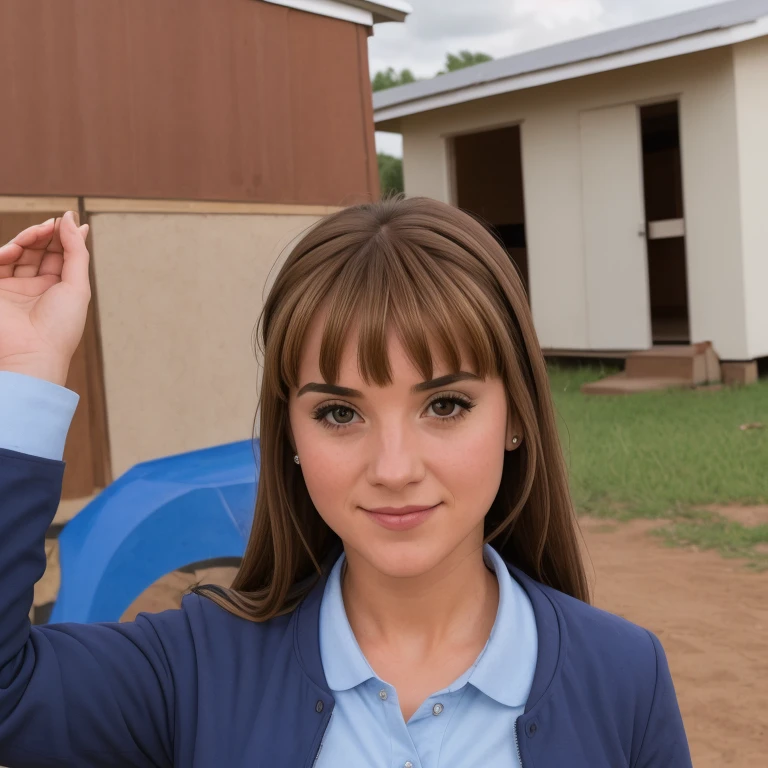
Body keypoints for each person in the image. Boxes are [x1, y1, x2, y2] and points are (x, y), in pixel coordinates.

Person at [0, 200, 692, 767]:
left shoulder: (626, 677)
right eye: (339, 412)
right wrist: (25, 377)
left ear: (516, 416)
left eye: (445, 405)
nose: (394, 468)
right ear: (291, 437)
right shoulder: (198, 671)